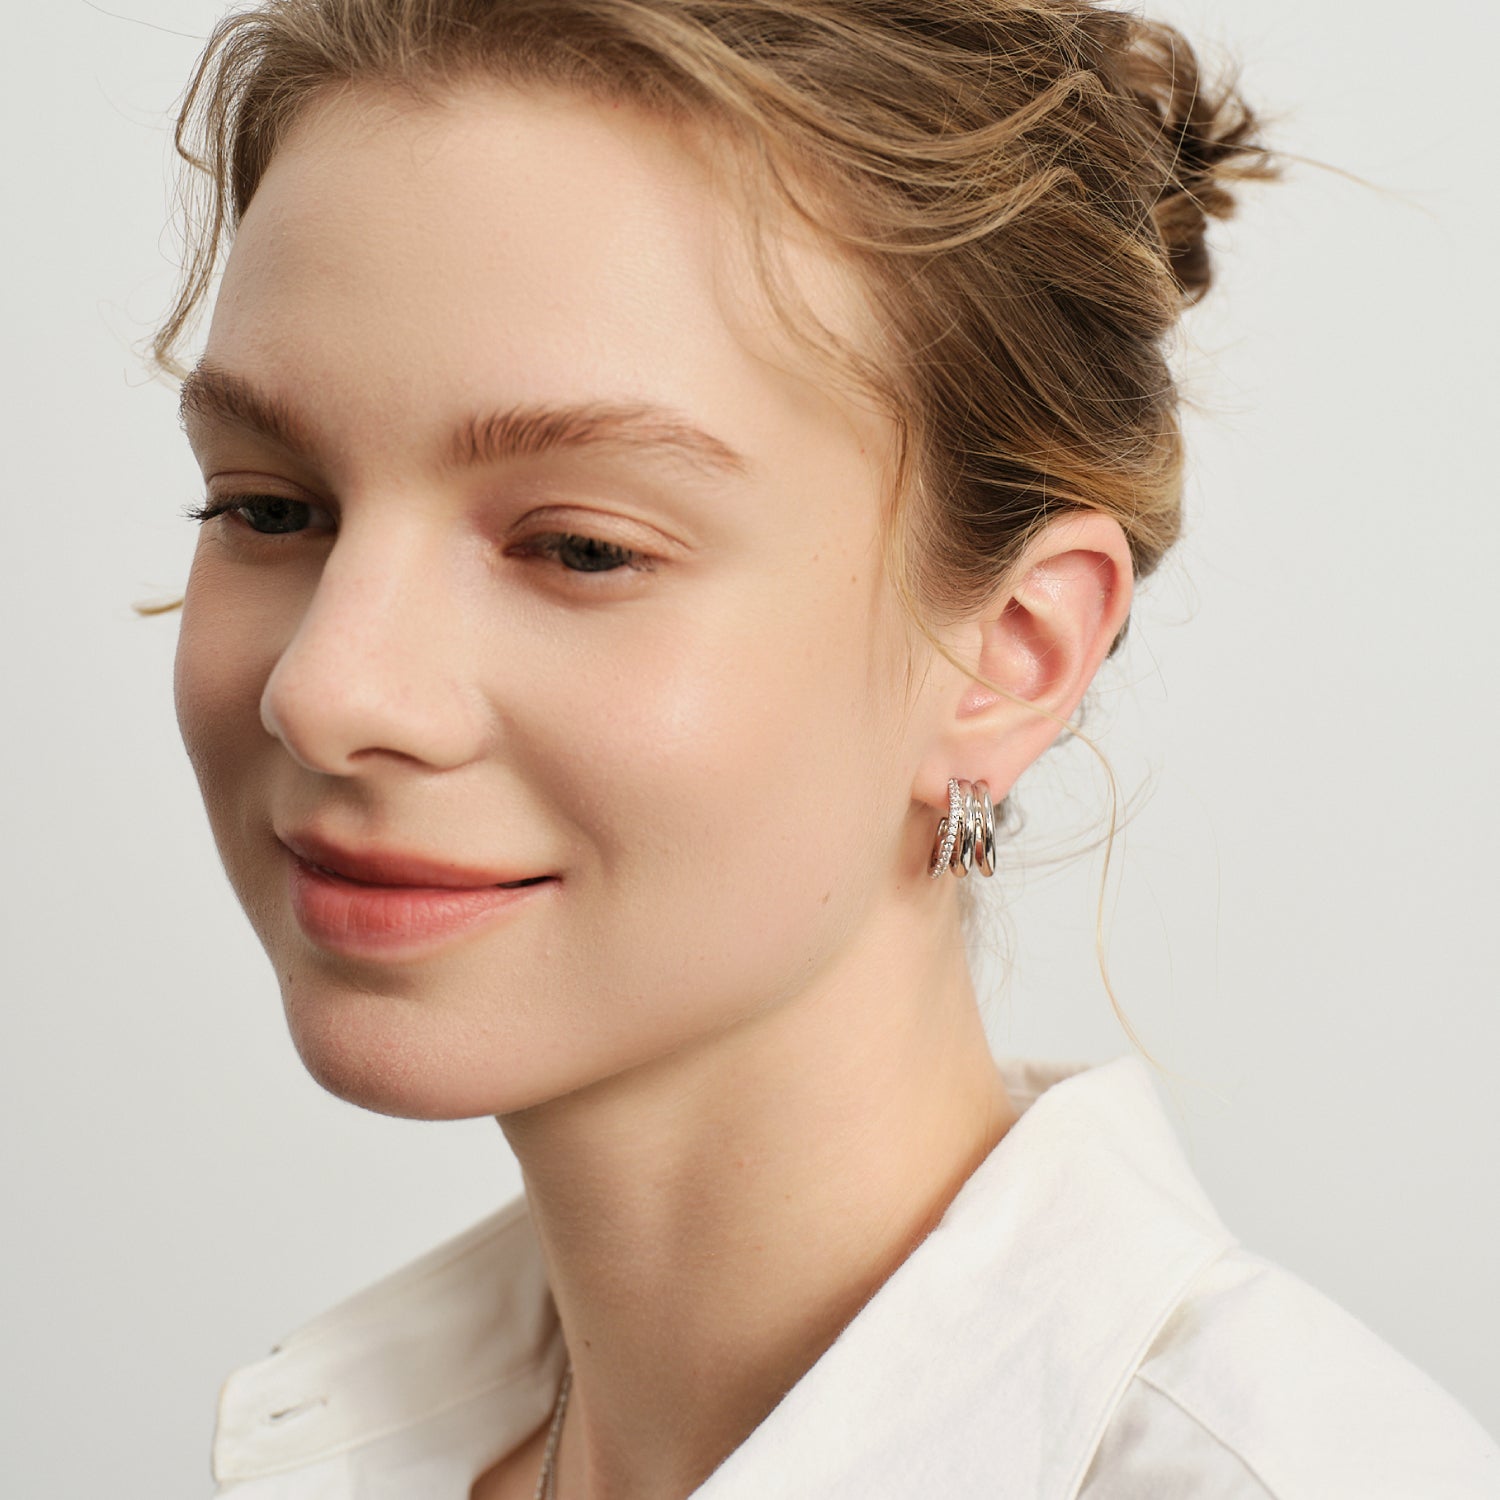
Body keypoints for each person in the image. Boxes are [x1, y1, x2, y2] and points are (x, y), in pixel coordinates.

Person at [145, 1, 1500, 1495]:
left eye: (583, 546)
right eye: (267, 508)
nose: (328, 691)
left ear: (1008, 655)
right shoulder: (357, 1442)